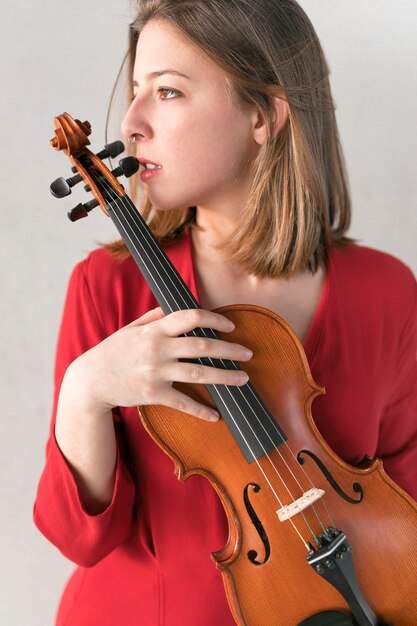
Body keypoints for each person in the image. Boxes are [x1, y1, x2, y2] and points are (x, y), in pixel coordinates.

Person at [34, 1, 417, 625]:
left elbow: (404, 503)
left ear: (262, 114)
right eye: (136, 93)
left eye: (168, 92)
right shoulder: (107, 287)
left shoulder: (387, 293)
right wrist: (85, 392)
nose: (131, 124)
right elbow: (82, 539)